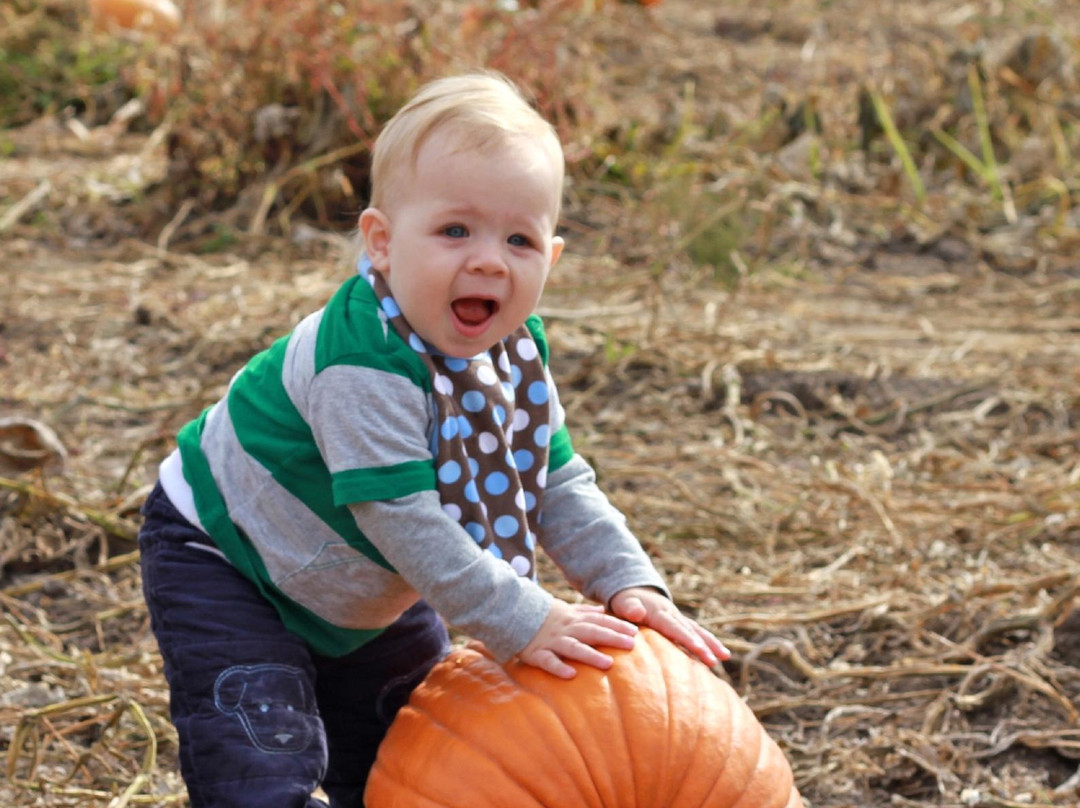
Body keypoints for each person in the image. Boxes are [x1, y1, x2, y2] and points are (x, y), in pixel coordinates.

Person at [137, 71, 730, 808]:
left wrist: (625, 582)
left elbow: (555, 481)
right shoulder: (362, 361)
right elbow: (400, 518)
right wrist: (523, 617)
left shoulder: (515, 354)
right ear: (382, 243)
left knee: (405, 749)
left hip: (368, 583)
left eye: (519, 238)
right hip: (231, 561)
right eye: (455, 230)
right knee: (261, 758)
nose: (488, 259)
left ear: (552, 260)